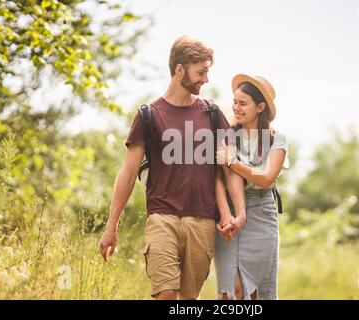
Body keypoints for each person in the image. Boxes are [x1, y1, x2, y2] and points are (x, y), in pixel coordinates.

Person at [98, 36, 246, 300]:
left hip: (201, 221)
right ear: (180, 69)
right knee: (165, 295)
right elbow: (128, 174)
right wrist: (111, 227)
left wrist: (236, 213)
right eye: (201, 72)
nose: (206, 80)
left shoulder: (212, 114)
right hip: (162, 218)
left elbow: (230, 170)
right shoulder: (149, 116)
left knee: (188, 301)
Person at [215, 74, 289, 300]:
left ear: (260, 107)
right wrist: (226, 213)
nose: (236, 108)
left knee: (256, 291)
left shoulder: (277, 139)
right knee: (230, 288)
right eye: (234, 102)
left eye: (243, 103)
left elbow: (266, 179)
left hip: (261, 212)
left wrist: (233, 162)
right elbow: (217, 178)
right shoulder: (226, 134)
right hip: (228, 212)